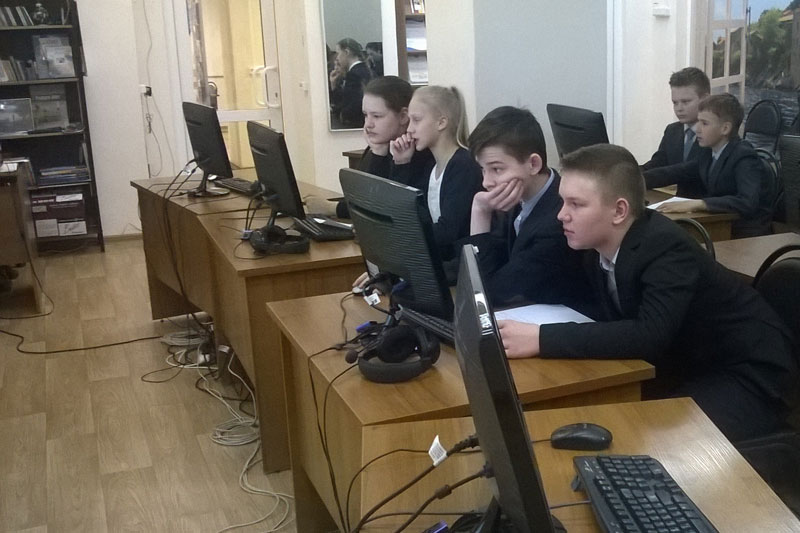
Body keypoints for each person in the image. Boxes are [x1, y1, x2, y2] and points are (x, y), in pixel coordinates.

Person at [497, 143, 796, 442]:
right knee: (594, 416)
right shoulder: (595, 246)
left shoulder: (665, 248)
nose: (561, 215)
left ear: (619, 211)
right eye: (562, 202)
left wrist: (541, 338)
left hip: (749, 373)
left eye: (576, 204)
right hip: (688, 363)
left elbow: (648, 335)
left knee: (647, 438)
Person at [461, 106, 590, 308]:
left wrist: (480, 212)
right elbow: (491, 262)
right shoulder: (518, 196)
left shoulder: (557, 221)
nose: (486, 182)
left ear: (533, 164)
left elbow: (489, 293)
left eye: (496, 169)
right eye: (483, 170)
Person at [643, 93, 773, 237]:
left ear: (725, 128)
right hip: (721, 225)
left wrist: (700, 203)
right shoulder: (708, 153)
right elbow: (676, 172)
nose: (697, 129)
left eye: (704, 123)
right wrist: (636, 180)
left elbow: (746, 202)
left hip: (747, 233)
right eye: (698, 121)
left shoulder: (744, 156)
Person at [306, 76, 434, 217]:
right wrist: (377, 152)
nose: (368, 124)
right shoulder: (380, 144)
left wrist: (332, 208)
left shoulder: (421, 154)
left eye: (377, 116)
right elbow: (360, 196)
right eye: (366, 115)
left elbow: (382, 210)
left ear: (403, 116)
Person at [389, 85, 483, 261]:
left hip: (458, 265)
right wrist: (402, 163)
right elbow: (409, 212)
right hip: (437, 261)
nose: (409, 129)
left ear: (441, 123)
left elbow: (448, 231)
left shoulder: (463, 166)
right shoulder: (431, 166)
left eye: (416, 120)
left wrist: (401, 239)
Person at [641, 67, 711, 199]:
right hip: (679, 204)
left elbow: (685, 171)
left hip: (709, 205)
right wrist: (629, 172)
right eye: (675, 102)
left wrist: (635, 180)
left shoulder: (715, 134)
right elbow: (658, 163)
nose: (679, 108)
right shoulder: (672, 131)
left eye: (686, 102)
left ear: (705, 99)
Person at [329, 38, 372, 128]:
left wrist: (341, 114)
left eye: (338, 53)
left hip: (355, 123)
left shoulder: (353, 74)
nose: (337, 58)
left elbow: (351, 104)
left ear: (346, 52)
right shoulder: (365, 70)